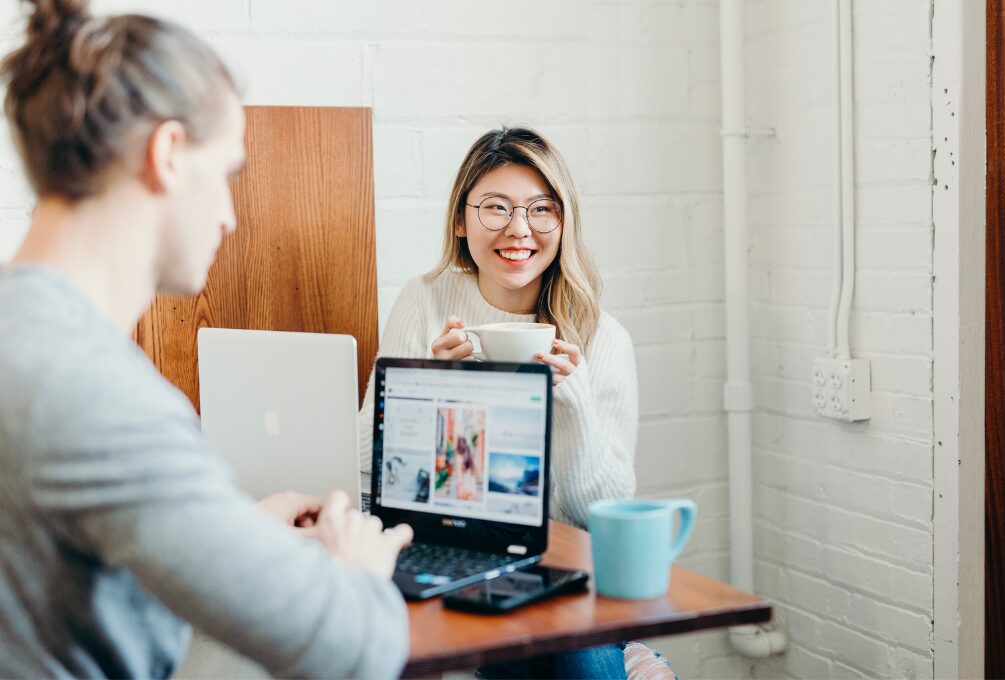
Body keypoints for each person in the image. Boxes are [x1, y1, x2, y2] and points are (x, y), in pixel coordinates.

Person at [0, 1, 412, 677]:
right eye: (226, 174)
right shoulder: (96, 391)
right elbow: (355, 649)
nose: (227, 215)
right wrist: (357, 571)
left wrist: (232, 531)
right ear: (166, 155)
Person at [358, 128, 676, 679]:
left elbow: (600, 514)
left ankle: (627, 650)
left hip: (559, 563)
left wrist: (572, 404)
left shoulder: (602, 340)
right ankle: (633, 653)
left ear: (563, 222)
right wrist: (434, 393)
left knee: (580, 659)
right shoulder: (427, 302)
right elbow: (369, 467)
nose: (519, 229)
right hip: (453, 550)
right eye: (495, 208)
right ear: (461, 220)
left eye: (540, 210)